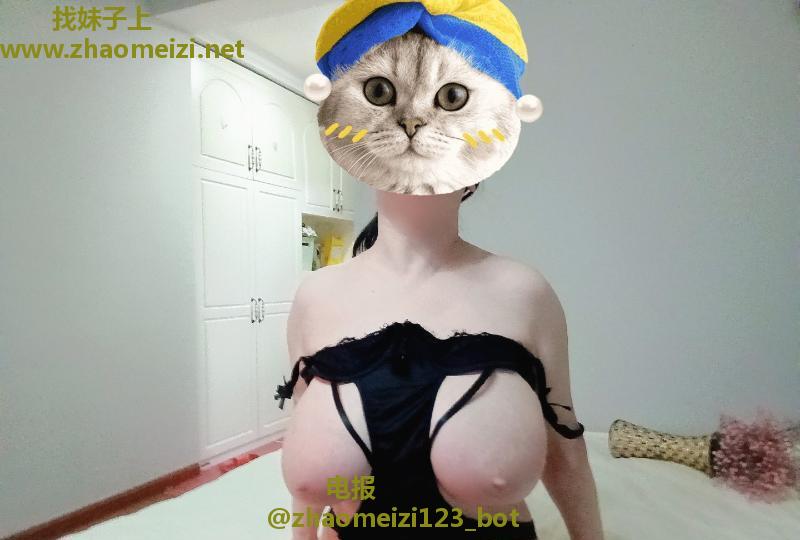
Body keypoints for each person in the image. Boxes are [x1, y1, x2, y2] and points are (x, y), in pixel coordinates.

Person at [275, 1, 604, 538]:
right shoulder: (315, 297)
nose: (412, 122)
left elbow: (566, 458)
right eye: (379, 91)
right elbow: (305, 493)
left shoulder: (524, 293)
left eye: (451, 97)